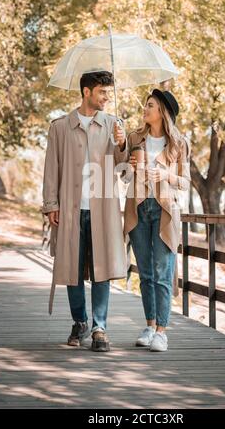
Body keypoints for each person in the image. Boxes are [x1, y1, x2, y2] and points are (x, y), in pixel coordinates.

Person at [42, 71, 129, 352]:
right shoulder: (60, 127)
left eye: (108, 93)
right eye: (103, 92)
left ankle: (99, 327)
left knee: (102, 269)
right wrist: (51, 204)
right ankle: (79, 322)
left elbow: (123, 168)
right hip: (70, 209)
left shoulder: (114, 125)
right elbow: (51, 170)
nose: (107, 98)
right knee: (72, 269)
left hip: (102, 210)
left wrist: (122, 143)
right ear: (87, 92)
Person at [124, 89, 190, 352]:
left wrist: (165, 176)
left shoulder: (178, 144)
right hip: (138, 209)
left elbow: (185, 182)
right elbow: (124, 177)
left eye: (150, 105)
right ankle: (149, 326)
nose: (145, 109)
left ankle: (162, 332)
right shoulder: (134, 138)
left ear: (162, 111)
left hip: (164, 212)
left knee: (163, 273)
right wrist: (128, 169)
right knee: (146, 274)